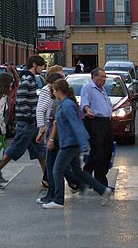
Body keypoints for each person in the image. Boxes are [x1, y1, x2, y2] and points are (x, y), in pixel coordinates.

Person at [42, 79, 113, 209]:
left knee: (57, 170)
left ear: (58, 91)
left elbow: (76, 124)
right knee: (78, 172)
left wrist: (84, 144)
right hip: (71, 143)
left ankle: (58, 200)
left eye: (53, 90)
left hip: (69, 143)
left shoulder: (67, 105)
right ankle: (103, 190)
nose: (53, 92)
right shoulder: (65, 103)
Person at [0, 55, 46, 180]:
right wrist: (29, 116)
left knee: (41, 151)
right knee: (15, 149)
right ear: (34, 65)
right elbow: (21, 100)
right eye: (41, 66)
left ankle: (47, 177)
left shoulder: (29, 78)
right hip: (27, 122)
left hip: (31, 122)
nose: (43, 68)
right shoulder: (28, 79)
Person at [35, 69, 80, 204]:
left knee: (54, 167)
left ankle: (55, 196)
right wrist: (42, 131)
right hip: (55, 136)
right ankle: (55, 193)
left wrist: (50, 138)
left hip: (57, 137)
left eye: (50, 87)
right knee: (55, 167)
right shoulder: (59, 99)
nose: (49, 90)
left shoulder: (59, 101)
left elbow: (54, 121)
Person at [80, 67, 113, 186]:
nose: (104, 79)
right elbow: (84, 102)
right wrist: (87, 110)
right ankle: (100, 182)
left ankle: (86, 175)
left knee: (107, 151)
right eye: (101, 77)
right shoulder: (88, 88)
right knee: (98, 153)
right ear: (94, 77)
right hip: (95, 122)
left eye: (105, 77)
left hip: (106, 123)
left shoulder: (102, 89)